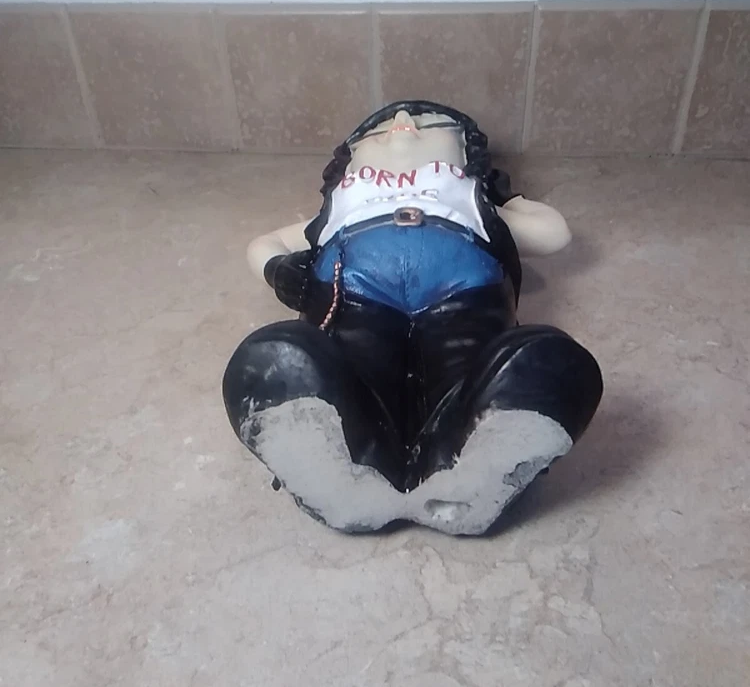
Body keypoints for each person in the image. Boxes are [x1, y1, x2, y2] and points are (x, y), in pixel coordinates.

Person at [223, 100, 603, 535]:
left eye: (430, 124)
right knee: (296, 362)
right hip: (352, 299)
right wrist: (278, 268)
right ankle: (346, 451)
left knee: (516, 368)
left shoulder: (467, 193)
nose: (403, 124)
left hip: (465, 300)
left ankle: (469, 447)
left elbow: (554, 233)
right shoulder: (343, 200)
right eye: (379, 128)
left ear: (465, 154)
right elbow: (264, 243)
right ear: (350, 159)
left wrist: (500, 195)